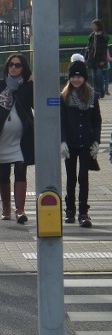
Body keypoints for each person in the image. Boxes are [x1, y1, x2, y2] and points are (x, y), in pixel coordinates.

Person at [0, 53, 34, 223]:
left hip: (22, 137)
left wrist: (30, 83)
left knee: (20, 168)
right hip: (1, 137)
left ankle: (20, 210)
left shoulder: (27, 86)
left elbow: (32, 103)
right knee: (4, 172)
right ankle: (6, 209)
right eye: (11, 65)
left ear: (23, 68)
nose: (14, 68)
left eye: (18, 65)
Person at [60, 59, 101, 228]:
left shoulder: (92, 96)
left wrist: (96, 141)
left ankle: (84, 212)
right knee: (71, 177)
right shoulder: (64, 97)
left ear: (84, 78)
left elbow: (97, 120)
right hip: (70, 143)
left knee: (83, 177)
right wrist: (62, 141)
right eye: (73, 77)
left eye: (79, 77)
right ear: (69, 78)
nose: (76, 80)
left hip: (86, 142)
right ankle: (70, 210)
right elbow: (61, 121)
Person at [85, 18, 109, 98]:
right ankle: (96, 92)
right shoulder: (92, 35)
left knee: (99, 75)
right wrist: (87, 57)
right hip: (92, 59)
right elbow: (89, 47)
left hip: (100, 59)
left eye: (94, 25)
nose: (92, 27)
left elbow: (104, 49)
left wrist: (102, 60)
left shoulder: (103, 36)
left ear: (98, 26)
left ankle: (101, 91)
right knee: (94, 77)